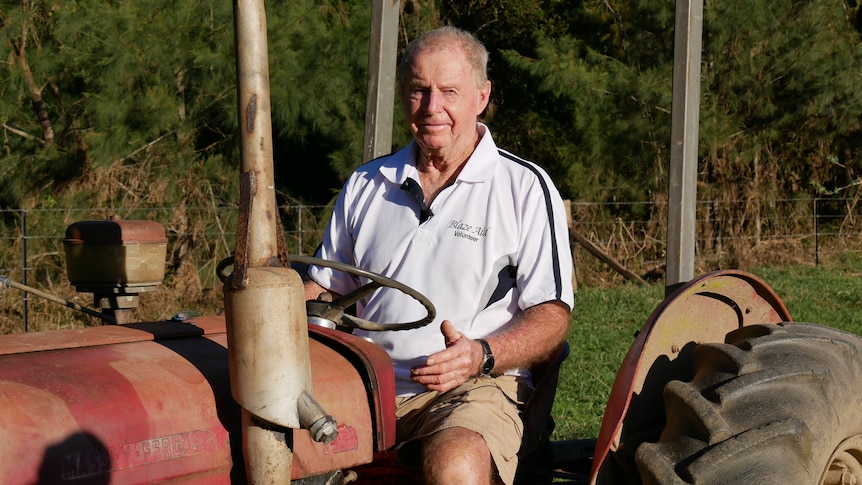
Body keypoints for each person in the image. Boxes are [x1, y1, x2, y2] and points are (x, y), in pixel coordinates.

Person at [304, 26, 574, 485]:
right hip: (362, 388)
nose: (432, 108)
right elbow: (326, 288)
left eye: (449, 91)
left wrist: (482, 354)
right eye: (418, 91)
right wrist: (276, 301)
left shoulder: (523, 186)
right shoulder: (367, 183)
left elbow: (551, 313)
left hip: (475, 388)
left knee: (456, 462)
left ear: (481, 97)